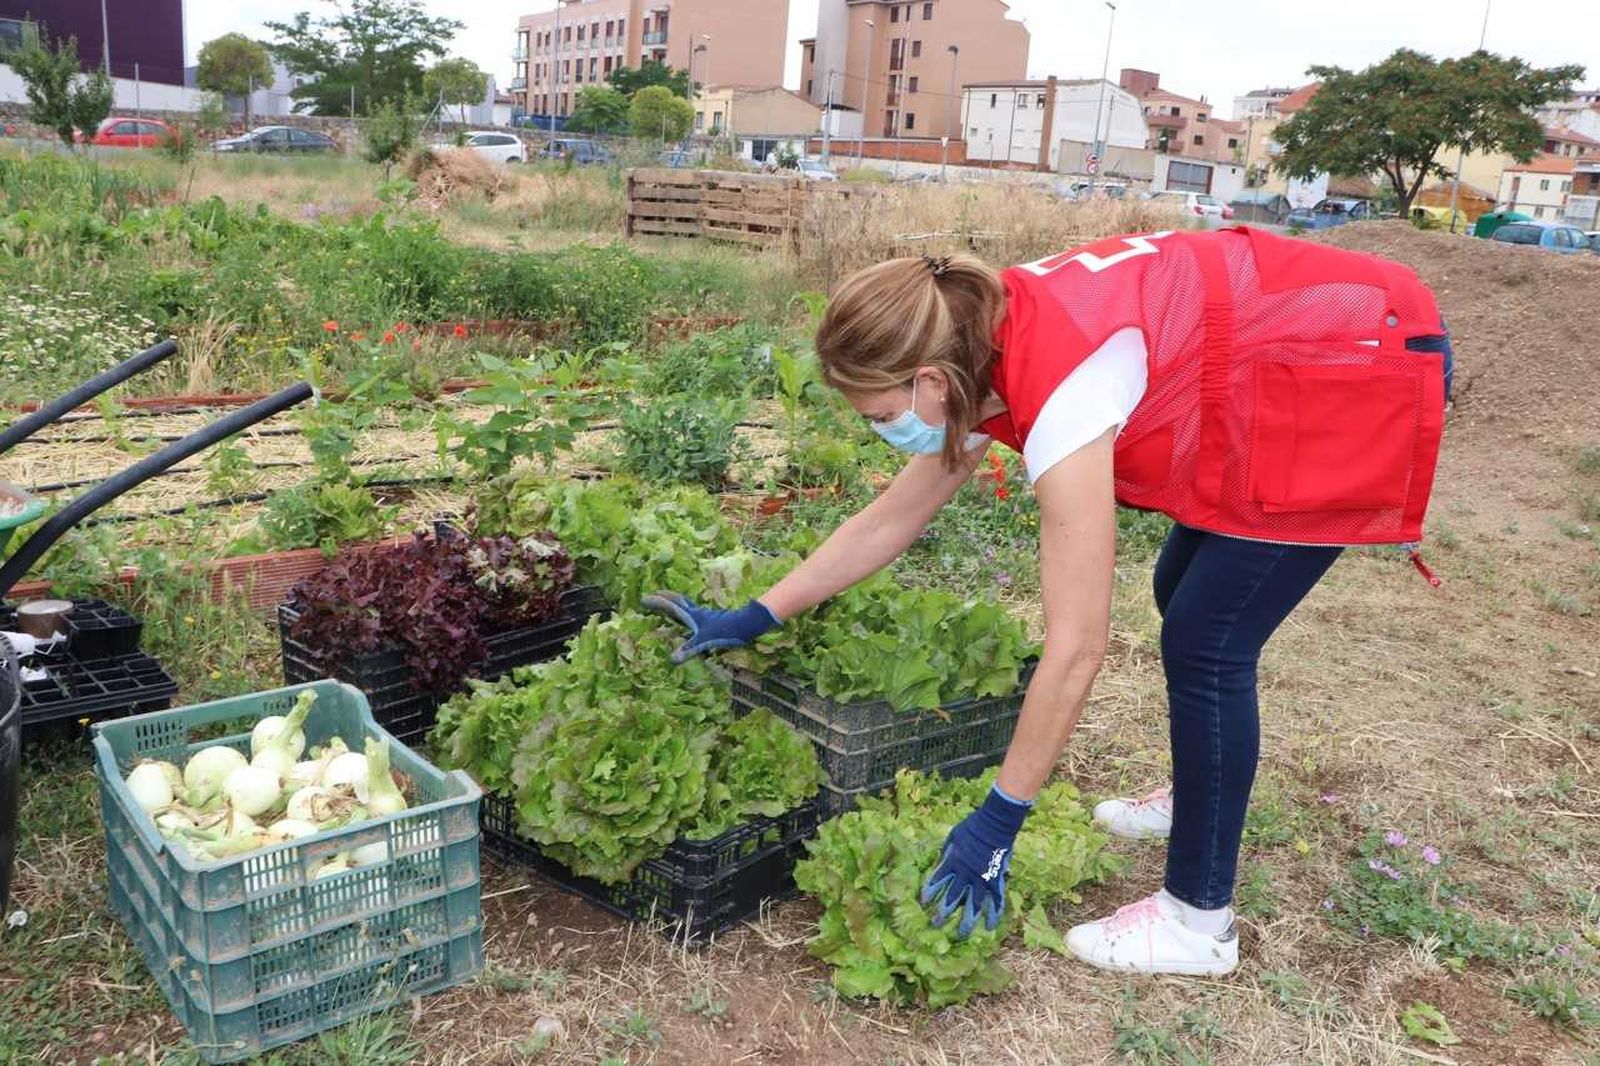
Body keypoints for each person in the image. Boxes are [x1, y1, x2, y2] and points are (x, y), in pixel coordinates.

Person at [644, 226, 1452, 976]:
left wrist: (999, 821)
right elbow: (892, 517)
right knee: (1180, 590)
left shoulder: (1062, 388)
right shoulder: (969, 331)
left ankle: (1196, 922)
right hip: (1279, 353)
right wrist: (758, 614)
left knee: (1209, 643)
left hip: (1354, 358)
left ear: (931, 382)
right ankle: (1199, 797)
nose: (880, 432)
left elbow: (1077, 649)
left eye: (884, 416)